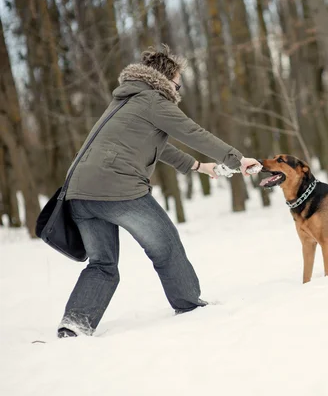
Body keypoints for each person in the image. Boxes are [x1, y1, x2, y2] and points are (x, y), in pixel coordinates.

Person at [57, 45, 260, 338]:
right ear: (166, 80)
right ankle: (189, 304)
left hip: (79, 192)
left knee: (102, 263)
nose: (179, 90)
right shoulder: (154, 100)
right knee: (165, 245)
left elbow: (158, 144)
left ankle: (75, 323)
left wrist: (198, 166)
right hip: (117, 189)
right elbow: (193, 132)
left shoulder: (126, 100)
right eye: (178, 83)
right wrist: (238, 160)